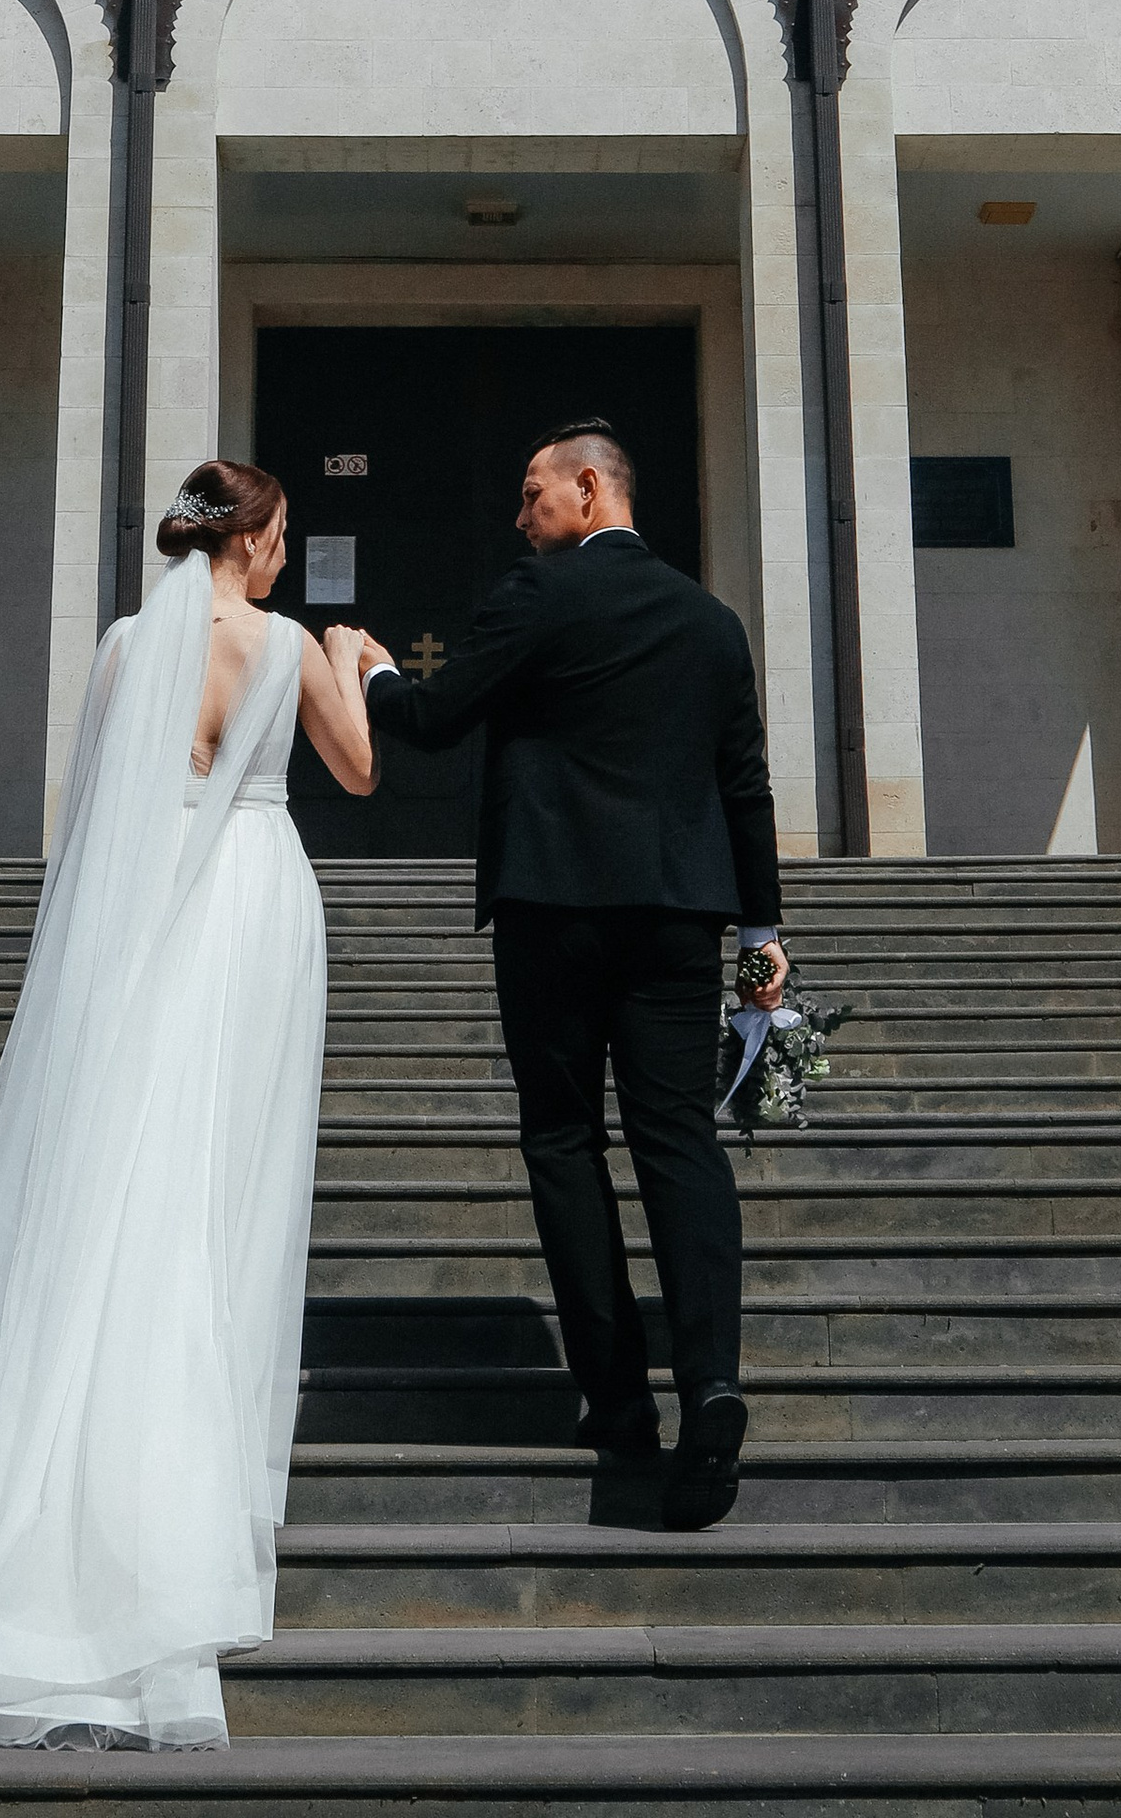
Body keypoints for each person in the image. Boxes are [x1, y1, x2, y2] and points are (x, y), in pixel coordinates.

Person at [0, 460, 378, 1750]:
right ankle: (183, 1490)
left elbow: (89, 823)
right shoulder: (290, 641)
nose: (289, 558)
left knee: (130, 1166)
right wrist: (357, 663)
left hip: (144, 919)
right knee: (222, 1180)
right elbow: (355, 774)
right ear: (247, 540)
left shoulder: (128, 645)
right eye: (283, 535)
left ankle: (55, 1485)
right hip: (253, 905)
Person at [327, 417, 786, 1532]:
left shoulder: (538, 596)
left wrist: (374, 667)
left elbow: (433, 722)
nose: (520, 514)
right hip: (680, 916)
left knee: (563, 1143)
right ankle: (712, 1384)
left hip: (553, 909)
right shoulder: (714, 623)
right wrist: (764, 931)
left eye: (533, 494)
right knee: (678, 1140)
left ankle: (620, 1404)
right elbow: (746, 782)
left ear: (590, 490)